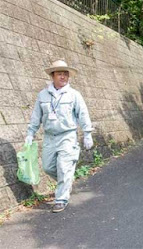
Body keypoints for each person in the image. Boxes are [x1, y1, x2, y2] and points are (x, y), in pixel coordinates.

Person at [25, 60, 93, 213]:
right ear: (52, 76)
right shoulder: (43, 95)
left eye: (65, 74)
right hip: (49, 137)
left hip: (67, 136)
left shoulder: (74, 95)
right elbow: (36, 116)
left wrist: (87, 133)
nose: (63, 76)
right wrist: (30, 133)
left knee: (63, 167)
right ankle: (66, 182)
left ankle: (61, 199)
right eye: (59, 73)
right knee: (48, 167)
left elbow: (83, 114)